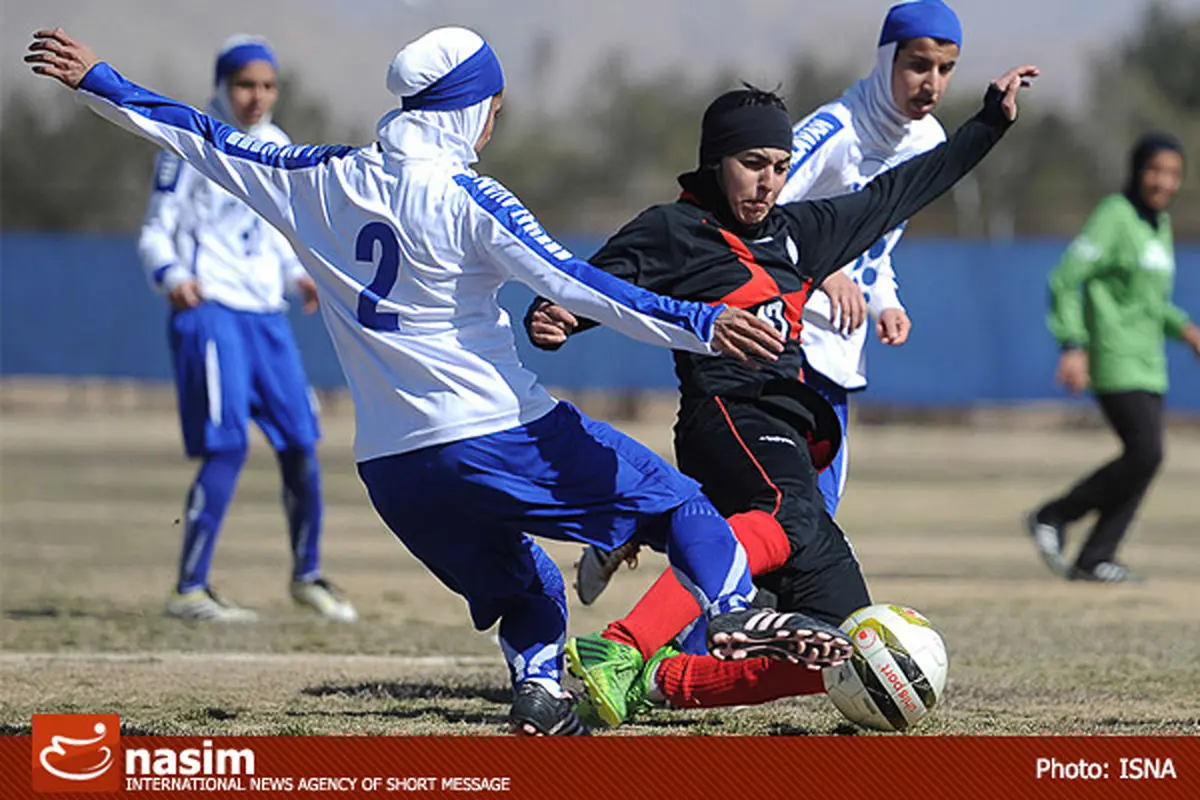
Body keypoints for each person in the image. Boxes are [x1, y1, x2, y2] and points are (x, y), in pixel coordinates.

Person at [27, 25, 851, 738]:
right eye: (493, 107)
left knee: (528, 584)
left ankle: (539, 695)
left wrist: (98, 80)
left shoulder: (317, 177)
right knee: (684, 510)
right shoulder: (467, 196)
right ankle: (736, 610)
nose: (494, 124)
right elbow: (576, 285)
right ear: (467, 108)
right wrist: (701, 321)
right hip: (501, 432)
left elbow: (194, 135)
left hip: (393, 469)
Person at [525, 66, 1033, 728]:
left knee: (846, 643)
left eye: (780, 166)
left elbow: (901, 190)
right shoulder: (674, 230)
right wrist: (555, 318)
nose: (768, 181)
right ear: (716, 161)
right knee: (783, 513)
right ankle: (620, 647)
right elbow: (589, 288)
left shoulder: (801, 232)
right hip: (726, 416)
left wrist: (988, 125)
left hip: (785, 430)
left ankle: (663, 681)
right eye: (752, 163)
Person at [571, 0, 965, 602]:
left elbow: (877, 245)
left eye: (945, 69)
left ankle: (642, 528)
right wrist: (824, 270)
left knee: (773, 518)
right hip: (779, 340)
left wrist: (884, 297)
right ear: (887, 58)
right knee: (793, 521)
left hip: (838, 347)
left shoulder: (930, 140)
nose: (930, 83)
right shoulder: (833, 129)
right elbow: (767, 219)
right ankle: (696, 632)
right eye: (917, 65)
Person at [138, 35, 356, 624]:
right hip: (212, 309)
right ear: (221, 85)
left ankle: (307, 576)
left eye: (266, 86)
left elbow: (277, 231)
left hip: (266, 316)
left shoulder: (276, 145)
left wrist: (297, 275)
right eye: (244, 85)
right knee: (227, 445)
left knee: (301, 443)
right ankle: (190, 589)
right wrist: (171, 275)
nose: (256, 97)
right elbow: (155, 229)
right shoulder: (189, 141)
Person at [1027, 133, 1198, 584]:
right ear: (1137, 171)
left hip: (1149, 362)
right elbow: (1066, 278)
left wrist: (1186, 329)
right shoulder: (1115, 216)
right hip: (1114, 355)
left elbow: (1150, 302)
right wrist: (1072, 344)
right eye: (1155, 170)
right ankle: (1054, 514)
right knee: (1146, 452)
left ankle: (1096, 557)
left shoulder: (1158, 225)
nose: (1164, 181)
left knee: (1146, 459)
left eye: (1174, 174)